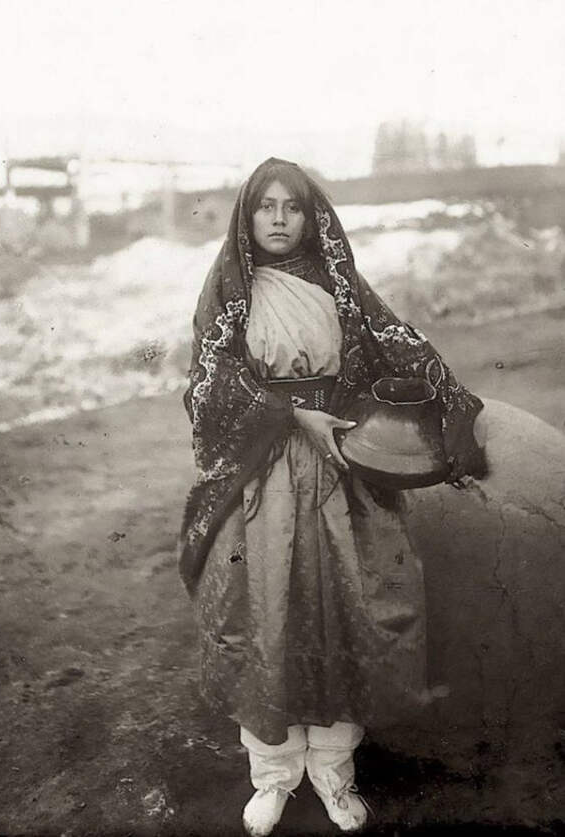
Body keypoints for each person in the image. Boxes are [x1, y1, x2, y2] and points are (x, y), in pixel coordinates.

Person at [179, 158, 485, 835]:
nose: (280, 219)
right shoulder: (231, 287)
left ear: (312, 214)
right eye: (267, 207)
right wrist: (290, 416)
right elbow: (208, 382)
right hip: (261, 472)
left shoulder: (339, 283)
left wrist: (450, 406)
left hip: (343, 466)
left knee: (351, 606)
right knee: (269, 614)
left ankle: (333, 772)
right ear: (248, 215)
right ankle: (275, 774)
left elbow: (394, 345)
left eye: (293, 206)